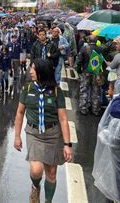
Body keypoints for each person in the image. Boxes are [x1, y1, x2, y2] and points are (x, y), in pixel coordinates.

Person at [13, 59, 73, 203]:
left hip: (53, 134)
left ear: (43, 72)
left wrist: (67, 144)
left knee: (51, 173)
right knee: (36, 170)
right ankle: (35, 186)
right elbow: (20, 113)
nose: (31, 71)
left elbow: (63, 118)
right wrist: (17, 136)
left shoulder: (56, 91)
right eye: (31, 68)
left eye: (34, 69)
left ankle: (47, 200)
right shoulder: (27, 89)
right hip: (34, 133)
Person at [76, 35, 105, 116]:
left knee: (84, 90)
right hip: (96, 72)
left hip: (86, 72)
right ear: (96, 41)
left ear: (88, 40)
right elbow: (102, 61)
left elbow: (79, 61)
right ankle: (96, 109)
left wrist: (79, 70)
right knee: (96, 91)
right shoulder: (100, 49)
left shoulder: (84, 48)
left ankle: (83, 108)